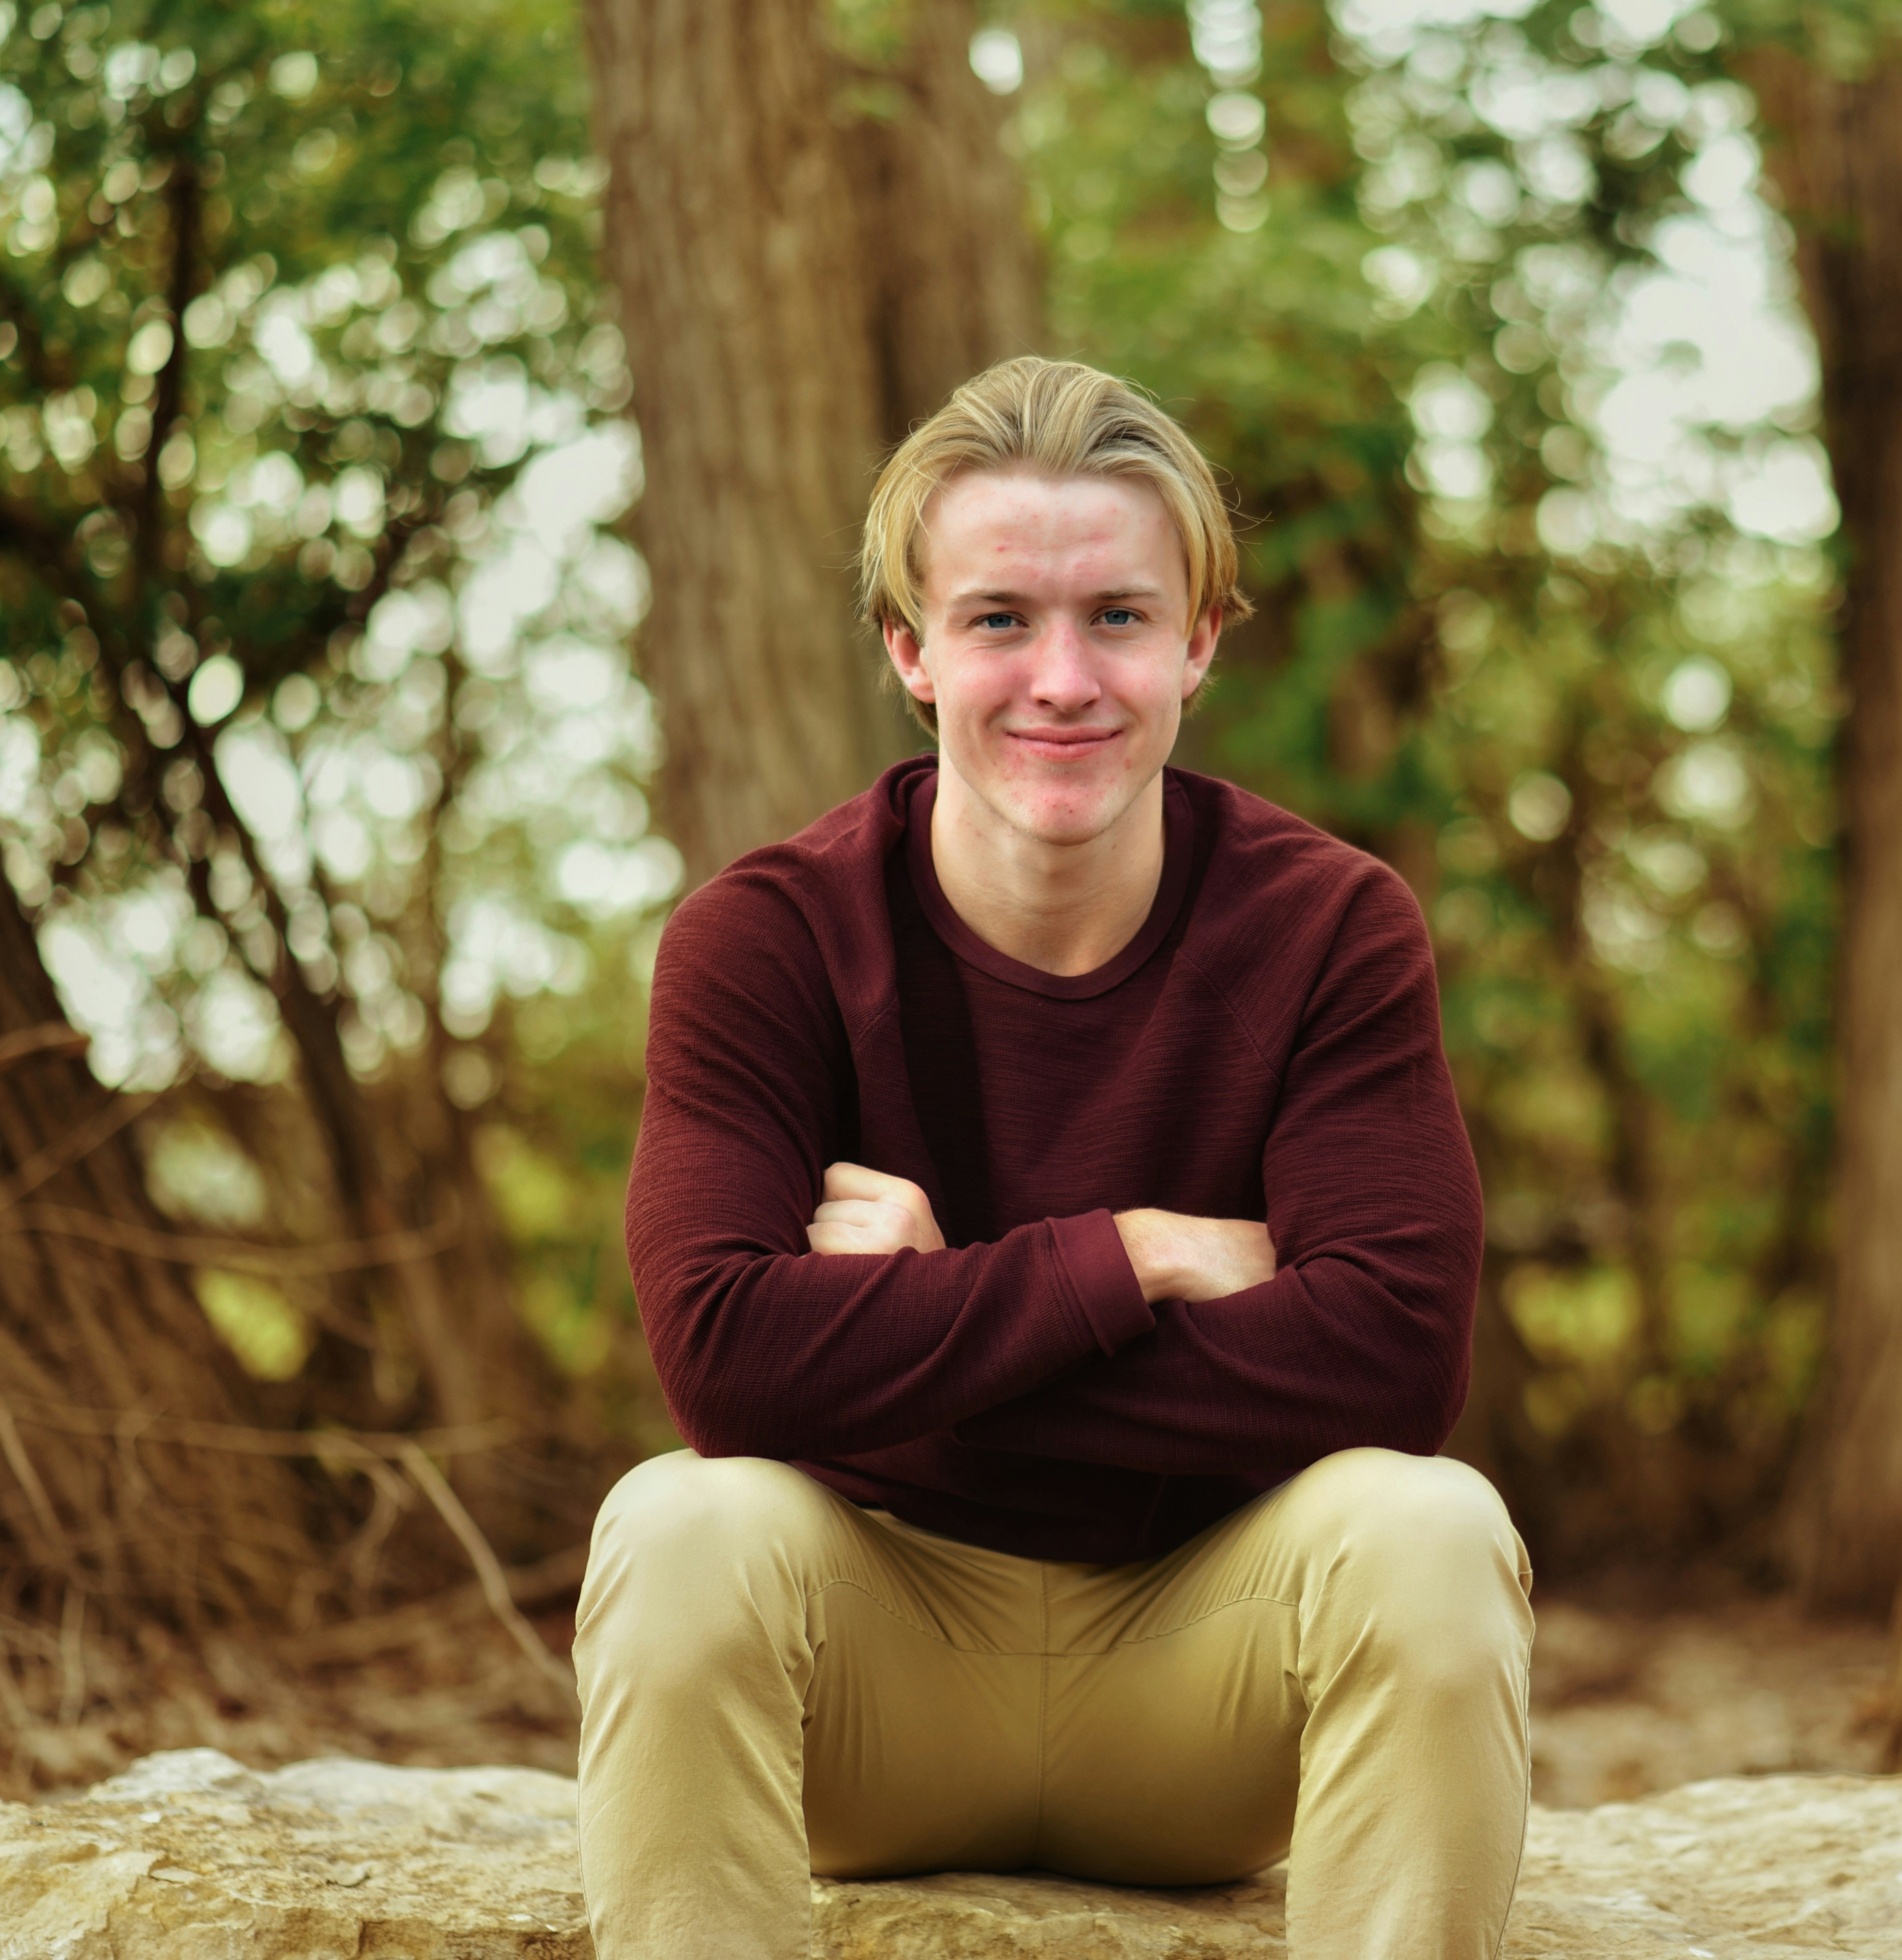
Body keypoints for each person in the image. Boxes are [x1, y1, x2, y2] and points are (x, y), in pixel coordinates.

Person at [572, 355, 1534, 1960]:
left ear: (1199, 644)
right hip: (871, 1693)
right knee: (680, 1526)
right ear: (912, 650)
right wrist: (1139, 1255)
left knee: (1426, 1528)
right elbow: (726, 1363)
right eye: (1000, 618)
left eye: (1119, 617)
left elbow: (1393, 1360)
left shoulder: (1326, 929)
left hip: (1204, 1678)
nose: (1062, 679)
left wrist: (928, 1314)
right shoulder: (767, 938)